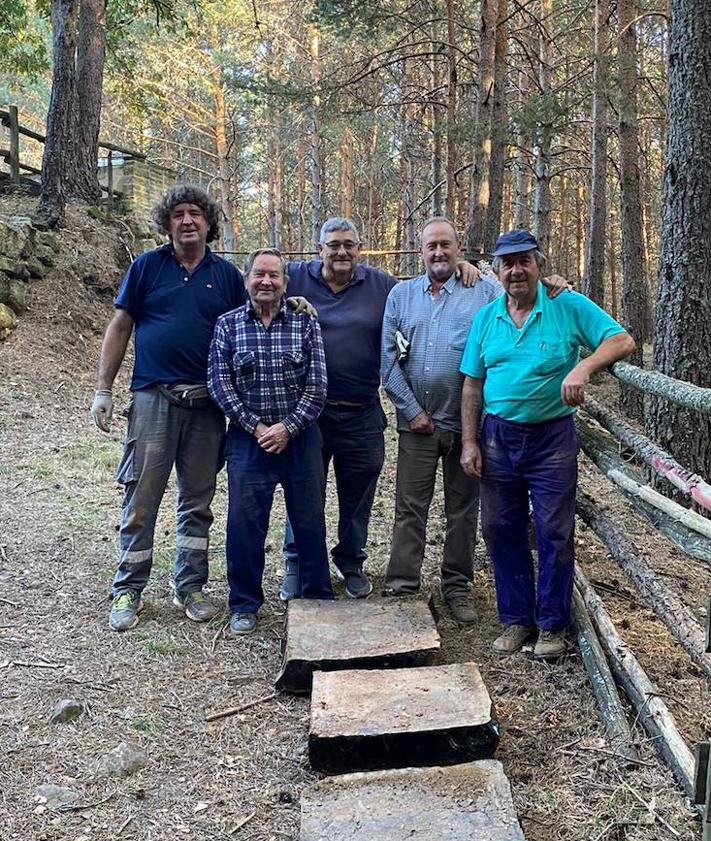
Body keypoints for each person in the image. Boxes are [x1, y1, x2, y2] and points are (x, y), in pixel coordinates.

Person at [91, 185, 312, 632]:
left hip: (208, 405)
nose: (187, 220)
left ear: (209, 222)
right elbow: (120, 325)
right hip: (154, 397)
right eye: (178, 214)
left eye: (195, 213)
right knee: (142, 496)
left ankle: (189, 585)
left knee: (198, 499)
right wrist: (103, 389)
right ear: (167, 222)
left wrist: (291, 302)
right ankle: (127, 588)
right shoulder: (146, 267)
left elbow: (258, 305)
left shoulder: (227, 275)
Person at [280, 218, 482, 600]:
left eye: (349, 245)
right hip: (309, 413)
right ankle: (298, 565)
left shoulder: (381, 286)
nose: (341, 252)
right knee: (304, 492)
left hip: (360, 412)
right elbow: (258, 278)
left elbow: (429, 284)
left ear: (360, 248)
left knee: (358, 496)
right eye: (333, 245)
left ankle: (351, 563)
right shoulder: (294, 277)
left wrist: (463, 267)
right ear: (318, 248)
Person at [459, 229, 635, 658]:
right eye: (508, 264)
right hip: (498, 435)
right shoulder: (487, 318)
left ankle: (552, 625)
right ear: (497, 271)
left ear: (539, 265)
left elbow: (623, 339)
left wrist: (584, 368)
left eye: (525, 261)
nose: (517, 270)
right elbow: (471, 384)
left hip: (552, 438)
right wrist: (470, 442)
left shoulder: (565, 305)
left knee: (554, 529)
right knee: (500, 528)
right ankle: (516, 619)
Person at [207, 248, 333, 634]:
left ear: (285, 282)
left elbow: (318, 383)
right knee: (245, 524)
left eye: (274, 275)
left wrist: (288, 427)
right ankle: (244, 603)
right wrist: (257, 427)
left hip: (301, 438)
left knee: (309, 521)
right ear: (246, 280)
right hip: (248, 440)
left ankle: (316, 597)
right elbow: (219, 383)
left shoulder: (304, 322)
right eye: (259, 274)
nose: (266, 281)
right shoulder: (228, 326)